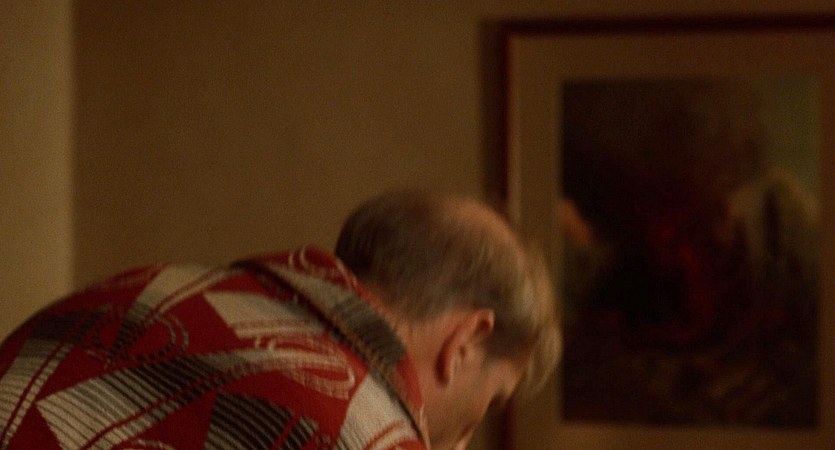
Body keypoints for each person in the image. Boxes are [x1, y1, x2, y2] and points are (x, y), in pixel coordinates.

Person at [0, 190, 560, 450]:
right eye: (491, 403)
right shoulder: (367, 434)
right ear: (467, 341)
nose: (463, 442)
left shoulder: (150, 286)